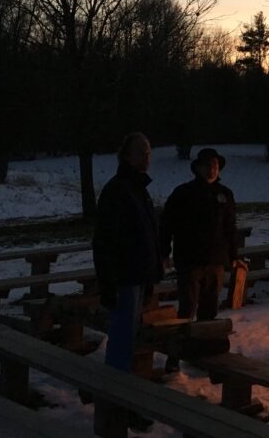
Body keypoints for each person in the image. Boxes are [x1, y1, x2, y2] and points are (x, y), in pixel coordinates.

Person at [159, 147, 239, 372]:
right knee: (186, 310)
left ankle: (204, 354)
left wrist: (233, 256)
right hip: (190, 260)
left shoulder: (224, 194)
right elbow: (167, 224)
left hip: (215, 261)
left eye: (215, 164)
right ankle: (174, 356)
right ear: (199, 168)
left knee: (209, 309)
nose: (212, 168)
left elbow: (230, 228)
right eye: (208, 164)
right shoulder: (183, 193)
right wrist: (164, 252)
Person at [92, 132, 164, 374]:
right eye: (141, 153)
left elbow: (149, 231)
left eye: (149, 153)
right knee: (122, 336)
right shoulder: (118, 190)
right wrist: (108, 282)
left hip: (140, 274)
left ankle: (122, 385)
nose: (146, 158)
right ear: (126, 156)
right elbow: (105, 240)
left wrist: (155, 267)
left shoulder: (138, 188)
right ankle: (115, 391)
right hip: (125, 276)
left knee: (130, 333)